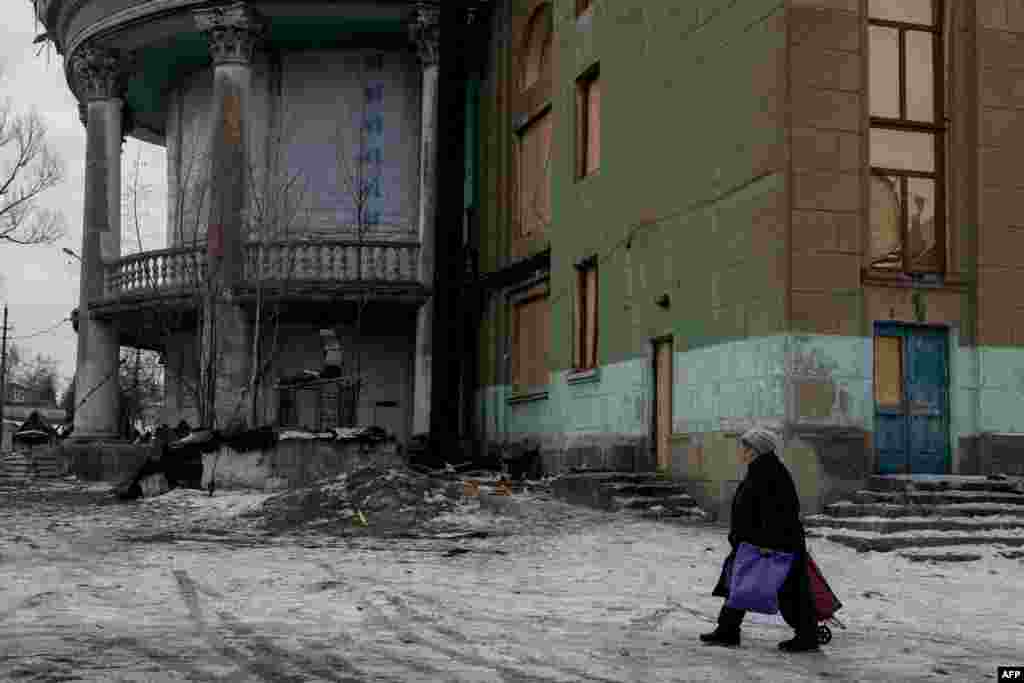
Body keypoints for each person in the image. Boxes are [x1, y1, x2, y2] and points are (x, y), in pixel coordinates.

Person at [700, 426, 820, 653]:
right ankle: (728, 630)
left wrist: (765, 542)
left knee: (789, 589)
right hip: (758, 542)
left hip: (774, 544)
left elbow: (781, 511)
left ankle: (807, 636)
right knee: (740, 583)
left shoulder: (770, 472)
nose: (741, 451)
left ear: (755, 450)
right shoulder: (760, 469)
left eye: (744, 447)